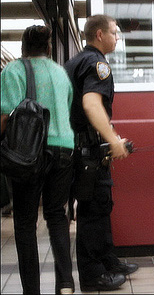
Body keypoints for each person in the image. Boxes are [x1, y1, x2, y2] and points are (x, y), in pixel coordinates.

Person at [64, 15, 138, 292]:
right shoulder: (97, 64)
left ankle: (106, 260)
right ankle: (93, 274)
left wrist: (112, 137)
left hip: (83, 147)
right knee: (93, 210)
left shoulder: (76, 61)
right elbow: (91, 104)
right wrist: (113, 141)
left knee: (100, 204)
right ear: (99, 34)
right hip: (88, 151)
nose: (117, 37)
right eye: (114, 33)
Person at [1, 25, 75, 294]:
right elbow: (65, 109)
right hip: (65, 150)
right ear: (48, 48)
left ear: (23, 47)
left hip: (29, 154)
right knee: (57, 215)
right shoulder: (60, 73)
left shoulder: (13, 70)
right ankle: (66, 282)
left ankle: (31, 290)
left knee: (24, 223)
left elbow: (4, 115)